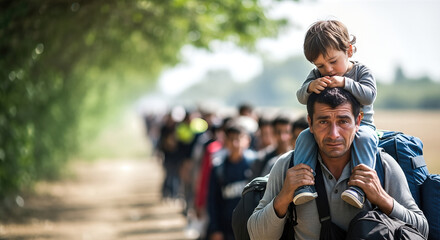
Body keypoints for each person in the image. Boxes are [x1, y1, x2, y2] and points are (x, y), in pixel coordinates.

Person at [247, 87, 428, 239]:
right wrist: (284, 196)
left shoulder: (382, 165)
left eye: (343, 121)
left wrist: (382, 198)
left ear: (358, 122)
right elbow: (256, 235)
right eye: (323, 121)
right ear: (310, 123)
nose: (334, 134)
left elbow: (422, 229)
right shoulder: (288, 165)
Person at [294, 20, 378, 208]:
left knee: (364, 138)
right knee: (305, 137)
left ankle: (359, 187)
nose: (328, 70)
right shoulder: (316, 75)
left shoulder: (361, 71)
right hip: (327, 126)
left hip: (361, 126)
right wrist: (310, 87)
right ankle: (304, 184)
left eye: (333, 62)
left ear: (348, 51)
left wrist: (344, 83)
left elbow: (369, 96)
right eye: (321, 66)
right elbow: (300, 96)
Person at [207, 120, 256, 240]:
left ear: (247, 141)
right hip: (226, 227)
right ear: (225, 141)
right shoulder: (219, 168)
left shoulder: (254, 165)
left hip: (250, 227)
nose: (235, 143)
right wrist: (215, 228)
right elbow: (213, 200)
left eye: (238, 139)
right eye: (231, 139)